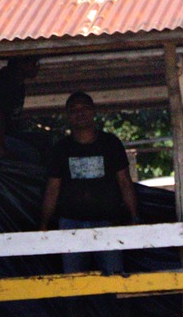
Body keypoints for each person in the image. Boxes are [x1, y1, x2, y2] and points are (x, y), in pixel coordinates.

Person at [40, 91, 138, 275]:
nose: (80, 113)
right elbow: (52, 188)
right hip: (70, 224)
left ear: (93, 111)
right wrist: (44, 224)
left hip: (107, 222)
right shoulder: (61, 149)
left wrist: (134, 216)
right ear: (68, 116)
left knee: (114, 277)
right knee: (73, 281)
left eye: (84, 108)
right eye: (74, 110)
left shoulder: (111, 143)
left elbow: (124, 181)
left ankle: (112, 306)